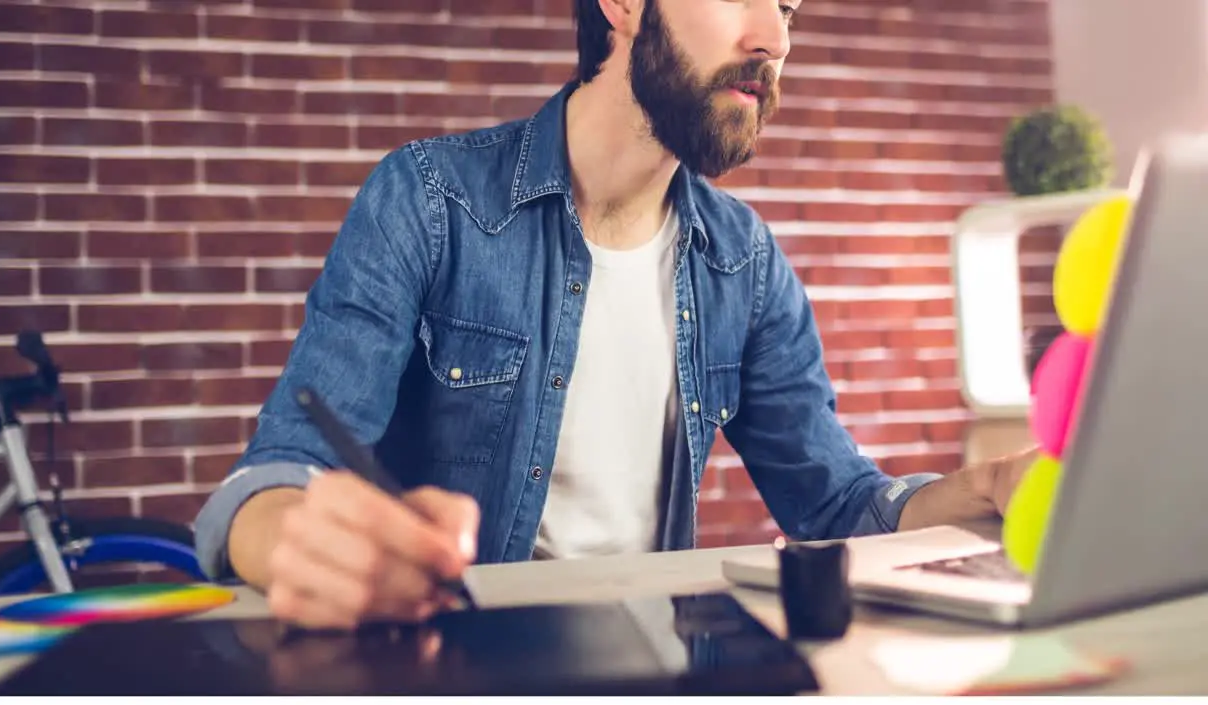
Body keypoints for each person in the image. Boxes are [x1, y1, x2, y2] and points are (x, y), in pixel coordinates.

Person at [193, 0, 1036, 631]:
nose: (774, 39)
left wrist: (982, 490)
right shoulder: (430, 202)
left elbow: (839, 505)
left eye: (786, 6)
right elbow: (271, 482)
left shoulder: (742, 260)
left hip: (653, 677)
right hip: (453, 675)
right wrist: (298, 542)